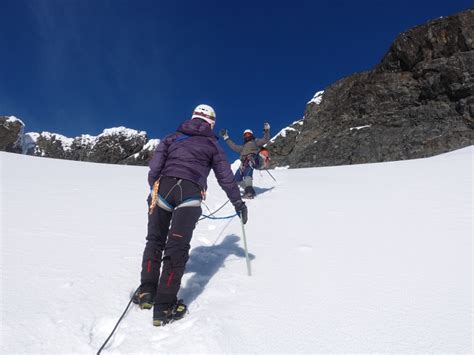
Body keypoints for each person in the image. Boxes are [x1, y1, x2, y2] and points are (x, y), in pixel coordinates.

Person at [136, 104, 248, 326]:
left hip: (163, 187)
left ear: (193, 117)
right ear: (212, 122)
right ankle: (164, 306)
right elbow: (225, 176)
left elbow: (154, 168)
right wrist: (238, 202)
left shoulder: (172, 137)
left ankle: (147, 292)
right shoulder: (213, 144)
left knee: (155, 239)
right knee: (177, 245)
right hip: (190, 192)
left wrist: (154, 189)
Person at [220, 122, 270, 198]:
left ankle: (250, 193)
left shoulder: (255, 141)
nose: (247, 136)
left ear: (252, 135)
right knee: (236, 179)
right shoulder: (242, 147)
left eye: (248, 134)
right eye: (245, 135)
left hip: (252, 159)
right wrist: (226, 137)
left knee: (247, 173)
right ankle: (248, 190)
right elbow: (233, 146)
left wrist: (266, 130)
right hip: (243, 162)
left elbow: (265, 139)